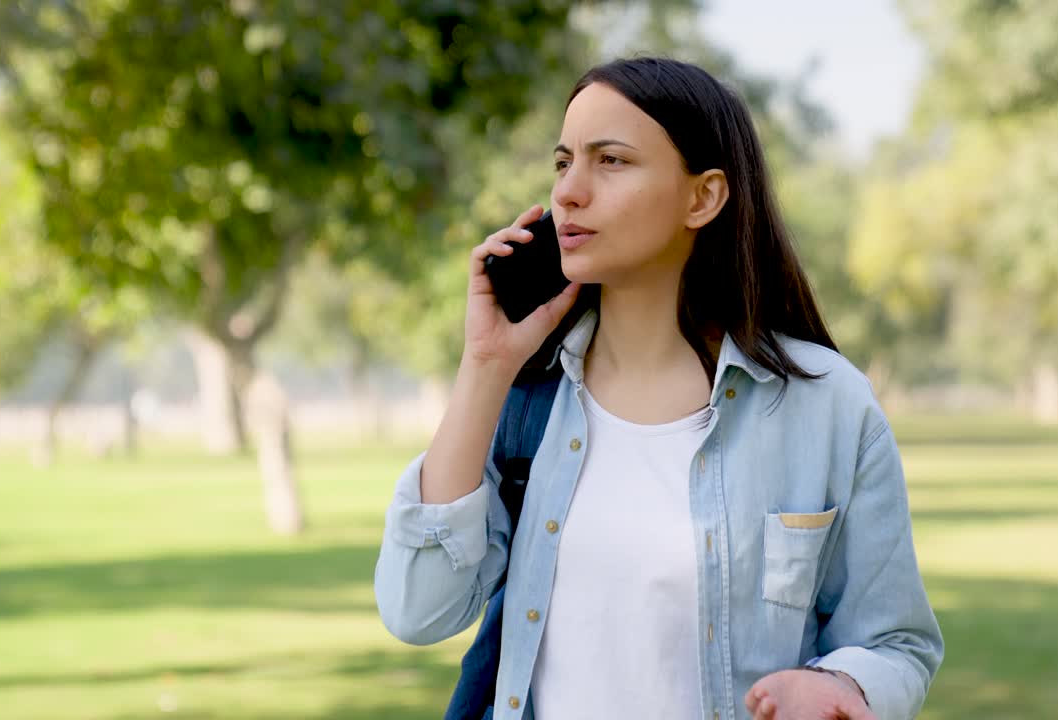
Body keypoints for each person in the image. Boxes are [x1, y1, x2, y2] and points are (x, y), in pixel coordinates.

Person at [374, 56, 943, 720]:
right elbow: (418, 610)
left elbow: (896, 643)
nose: (569, 193)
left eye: (610, 161)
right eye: (563, 163)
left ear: (702, 197)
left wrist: (843, 685)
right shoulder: (529, 400)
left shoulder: (828, 406)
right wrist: (484, 364)